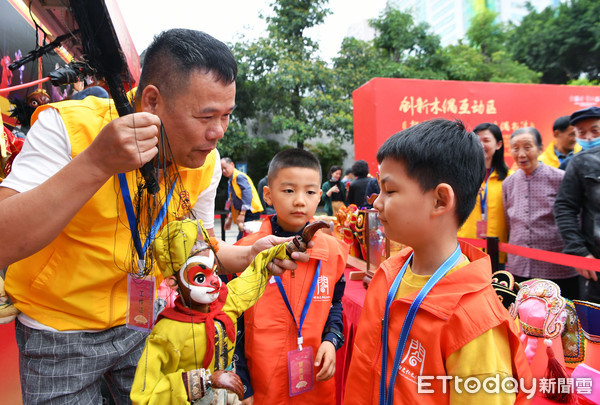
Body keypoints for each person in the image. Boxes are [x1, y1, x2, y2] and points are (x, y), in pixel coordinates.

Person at [0, 29, 307, 404]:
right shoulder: (67, 126)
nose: (217, 133)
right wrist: (96, 164)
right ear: (152, 101)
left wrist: (248, 255)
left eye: (227, 115)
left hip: (145, 323)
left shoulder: (204, 162)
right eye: (205, 115)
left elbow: (202, 244)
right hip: (58, 329)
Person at [344, 119, 531, 404]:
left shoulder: (474, 321)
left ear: (440, 200)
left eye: (390, 191)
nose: (377, 203)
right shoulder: (388, 274)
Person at [130, 219, 290, 405]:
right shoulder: (166, 333)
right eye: (200, 277)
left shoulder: (224, 304)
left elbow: (252, 277)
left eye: (214, 271)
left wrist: (287, 249)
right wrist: (203, 381)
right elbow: (143, 395)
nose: (214, 281)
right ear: (173, 283)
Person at [235, 149, 348, 404]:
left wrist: (331, 340)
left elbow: (336, 304)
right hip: (262, 382)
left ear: (320, 195)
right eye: (288, 190)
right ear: (268, 194)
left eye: (309, 192)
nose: (300, 201)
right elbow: (233, 322)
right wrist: (241, 380)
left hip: (315, 382)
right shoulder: (244, 253)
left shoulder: (334, 252)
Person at [503, 127, 579, 299]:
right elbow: (510, 223)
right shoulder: (508, 183)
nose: (521, 154)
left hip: (557, 268)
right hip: (519, 267)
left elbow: (575, 219)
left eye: (527, 147)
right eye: (515, 148)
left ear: (540, 148)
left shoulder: (560, 178)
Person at [555, 106, 600, 303]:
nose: (589, 137)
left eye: (595, 130)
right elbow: (564, 207)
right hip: (595, 262)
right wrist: (580, 252)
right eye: (581, 132)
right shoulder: (578, 163)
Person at [458, 123, 511, 266]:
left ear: (499, 144)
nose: (481, 145)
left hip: (498, 251)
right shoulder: (460, 176)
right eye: (477, 140)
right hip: (464, 251)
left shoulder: (508, 177)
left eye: (486, 140)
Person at [221, 157, 263, 240]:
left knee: (244, 238)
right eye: (221, 169)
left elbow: (247, 194)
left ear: (232, 164)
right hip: (244, 212)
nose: (223, 171)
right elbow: (231, 201)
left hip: (250, 211)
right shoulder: (231, 180)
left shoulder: (239, 177)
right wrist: (229, 219)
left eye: (225, 168)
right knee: (245, 237)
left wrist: (242, 214)